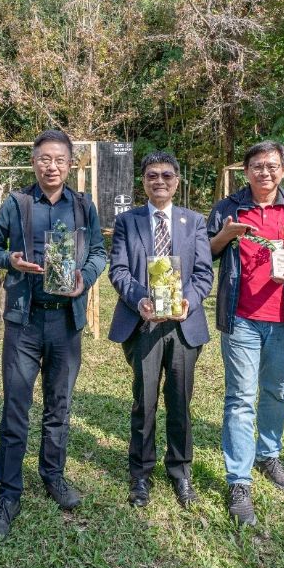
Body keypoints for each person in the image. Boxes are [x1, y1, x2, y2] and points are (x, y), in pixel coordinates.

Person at [0, 129, 107, 542]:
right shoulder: (17, 204)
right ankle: (8, 493)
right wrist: (10, 259)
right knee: (16, 408)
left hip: (65, 321)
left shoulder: (84, 206)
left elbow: (99, 254)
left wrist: (83, 280)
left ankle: (53, 476)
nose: (51, 166)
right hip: (24, 320)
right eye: (44, 159)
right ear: (34, 162)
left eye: (59, 160)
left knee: (59, 406)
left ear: (71, 165)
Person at [207, 141, 284, 526]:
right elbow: (204, 252)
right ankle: (239, 481)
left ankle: (268, 455)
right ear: (246, 171)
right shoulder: (229, 209)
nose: (265, 173)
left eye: (272, 166)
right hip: (241, 317)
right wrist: (226, 235)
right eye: (257, 166)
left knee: (276, 391)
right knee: (240, 397)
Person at [108, 151, 213, 509]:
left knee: (181, 401)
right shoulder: (128, 222)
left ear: (177, 181)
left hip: (183, 326)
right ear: (143, 181)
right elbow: (119, 270)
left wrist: (187, 301)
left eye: (167, 175)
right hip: (144, 324)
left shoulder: (194, 221)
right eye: (152, 175)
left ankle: (181, 471)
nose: (160, 181)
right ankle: (140, 473)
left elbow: (203, 274)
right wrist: (140, 300)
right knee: (145, 401)